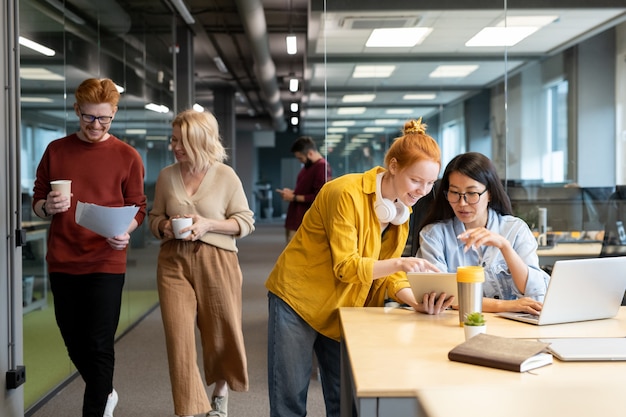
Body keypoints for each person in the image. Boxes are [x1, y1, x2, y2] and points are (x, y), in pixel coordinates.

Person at [265, 119, 454, 417]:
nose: (423, 190)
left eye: (431, 183)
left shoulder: (401, 211)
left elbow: (387, 276)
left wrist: (414, 300)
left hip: (343, 304)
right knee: (290, 400)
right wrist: (402, 262)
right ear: (393, 166)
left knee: (345, 401)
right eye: (417, 180)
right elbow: (346, 266)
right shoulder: (345, 194)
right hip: (298, 300)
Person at [32, 78, 147, 417]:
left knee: (98, 344)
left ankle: (95, 409)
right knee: (74, 341)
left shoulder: (127, 156)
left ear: (114, 113)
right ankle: (106, 390)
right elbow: (38, 201)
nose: (96, 125)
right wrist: (47, 208)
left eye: (104, 119)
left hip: (106, 259)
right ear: (76, 110)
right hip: (64, 259)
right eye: (88, 117)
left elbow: (138, 206)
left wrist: (125, 232)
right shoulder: (56, 150)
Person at [148, 109, 255, 417]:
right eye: (173, 140)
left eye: (181, 141)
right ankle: (189, 408)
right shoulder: (167, 176)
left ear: (200, 141)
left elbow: (245, 222)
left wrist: (209, 225)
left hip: (217, 260)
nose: (175, 147)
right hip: (173, 261)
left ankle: (220, 393)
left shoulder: (225, 175)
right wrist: (164, 227)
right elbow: (155, 218)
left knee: (220, 330)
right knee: (178, 336)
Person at [417, 151, 550, 314]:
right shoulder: (434, 235)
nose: (462, 203)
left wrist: (504, 246)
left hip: (513, 327)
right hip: (457, 326)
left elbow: (535, 293)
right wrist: (504, 306)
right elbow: (442, 297)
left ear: (490, 194)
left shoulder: (515, 230)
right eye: (454, 193)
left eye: (472, 193)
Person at [275, 136, 331, 242]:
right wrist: (292, 193)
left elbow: (318, 197)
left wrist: (293, 197)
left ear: (310, 153)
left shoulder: (322, 167)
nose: (300, 161)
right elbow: (306, 190)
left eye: (301, 158)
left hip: (304, 221)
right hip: (295, 219)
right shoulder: (308, 166)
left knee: (295, 256)